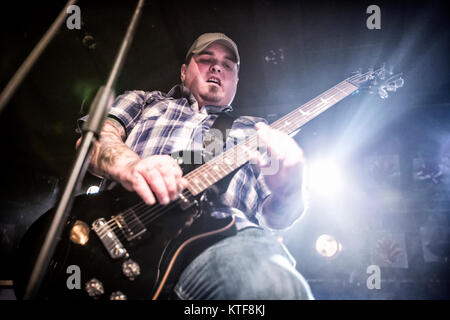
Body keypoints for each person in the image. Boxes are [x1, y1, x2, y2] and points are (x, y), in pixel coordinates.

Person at [78, 32, 314, 299]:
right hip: (114, 235)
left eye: (228, 65)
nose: (217, 67)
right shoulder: (145, 101)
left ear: (235, 80)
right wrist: (130, 166)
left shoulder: (255, 131)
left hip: (219, 246)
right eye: (206, 59)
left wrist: (289, 192)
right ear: (183, 71)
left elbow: (277, 216)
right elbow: (92, 142)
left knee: (272, 286)